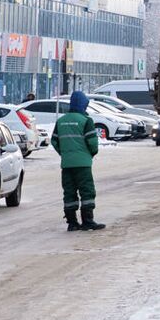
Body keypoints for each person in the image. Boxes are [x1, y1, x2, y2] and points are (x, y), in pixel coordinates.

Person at [52, 90, 104, 232]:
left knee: (69, 192)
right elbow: (93, 143)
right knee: (87, 192)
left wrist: (65, 154)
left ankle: (72, 222)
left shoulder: (61, 121)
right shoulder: (86, 121)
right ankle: (87, 220)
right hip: (83, 164)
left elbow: (54, 141)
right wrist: (89, 154)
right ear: (84, 105)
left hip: (67, 164)